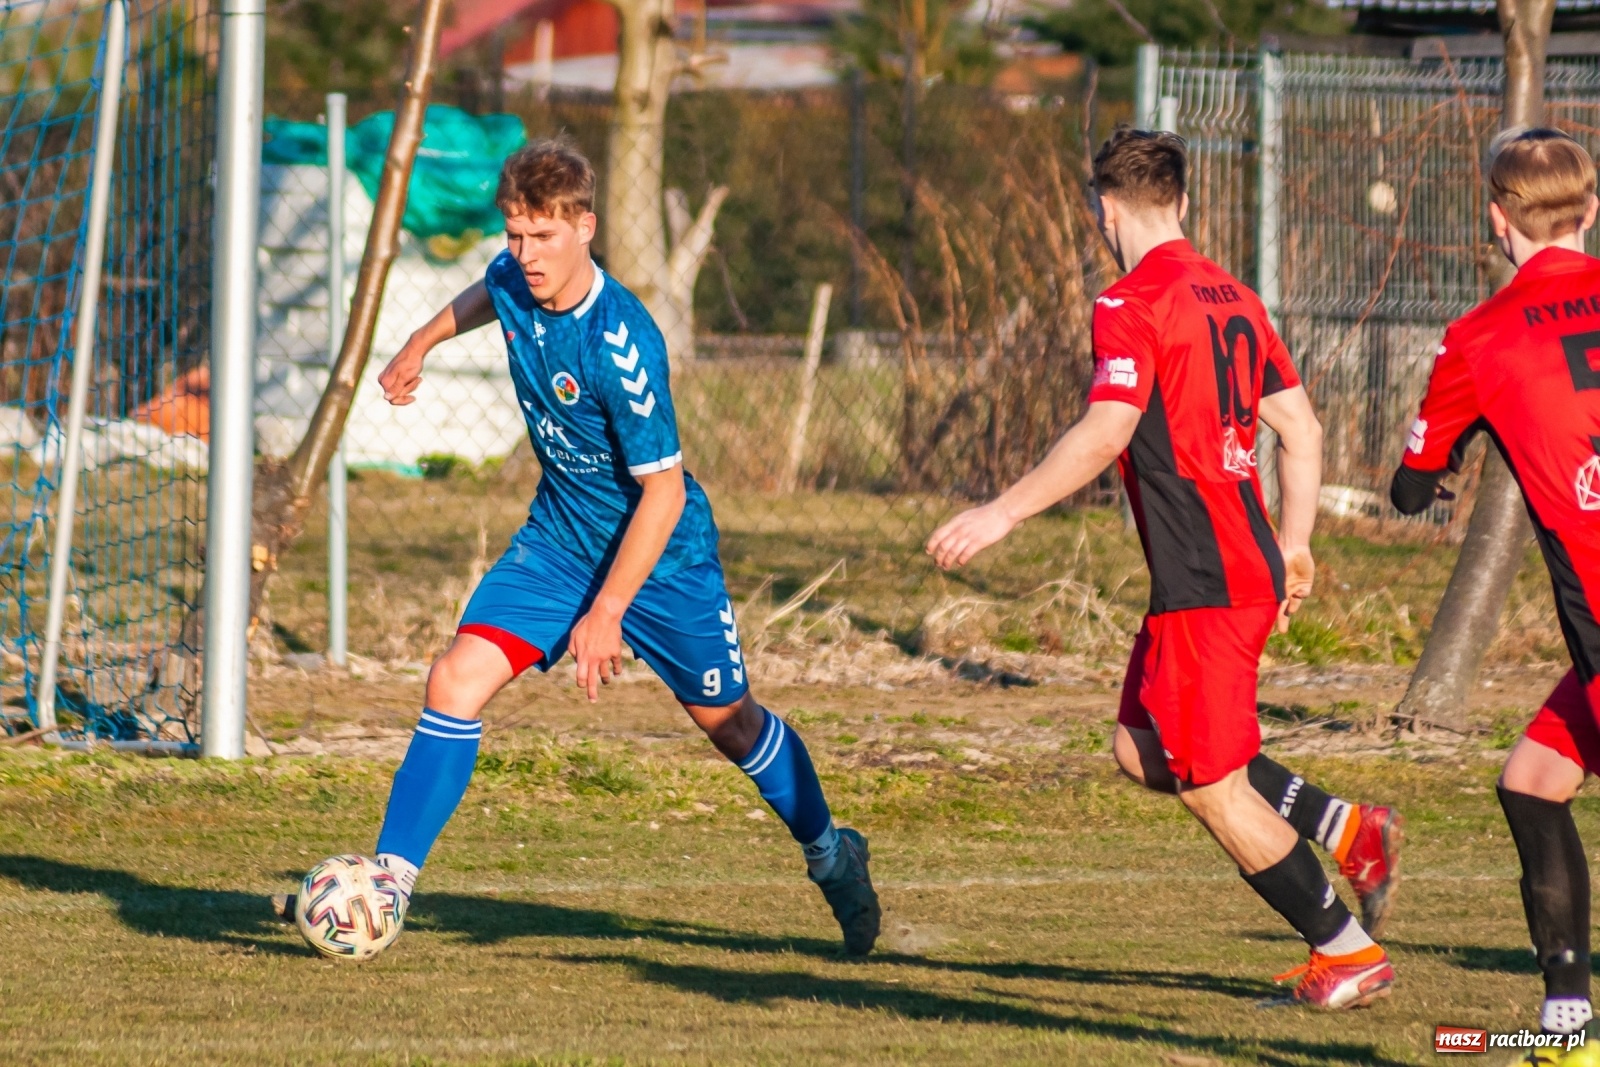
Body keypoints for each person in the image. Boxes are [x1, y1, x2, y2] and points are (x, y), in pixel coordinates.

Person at [283, 138, 880, 956]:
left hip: (662, 558)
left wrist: (610, 610)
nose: (525, 255)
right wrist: (419, 343)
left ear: (586, 227)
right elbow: (481, 295)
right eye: (515, 234)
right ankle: (389, 881)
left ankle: (831, 852)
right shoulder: (513, 277)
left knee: (731, 724)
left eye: (544, 237)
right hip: (561, 540)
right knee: (455, 676)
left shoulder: (622, 344)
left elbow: (663, 493)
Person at [927, 127, 1397, 1008]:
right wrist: (1294, 541)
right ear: (1181, 202)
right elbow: (1303, 429)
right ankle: (1344, 824)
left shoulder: (1129, 302)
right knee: (1143, 748)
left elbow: (1108, 429)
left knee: (1209, 782)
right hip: (1235, 561)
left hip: (1206, 577)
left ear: (1102, 210)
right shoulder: (1236, 295)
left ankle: (1345, 951)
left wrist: (1002, 510)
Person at [1392, 128, 1600, 1064]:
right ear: (1590, 212)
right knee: (1533, 781)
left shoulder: (1477, 337)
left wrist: (1426, 480)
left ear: (1495, 219)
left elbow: (1412, 480)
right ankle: (1567, 1030)